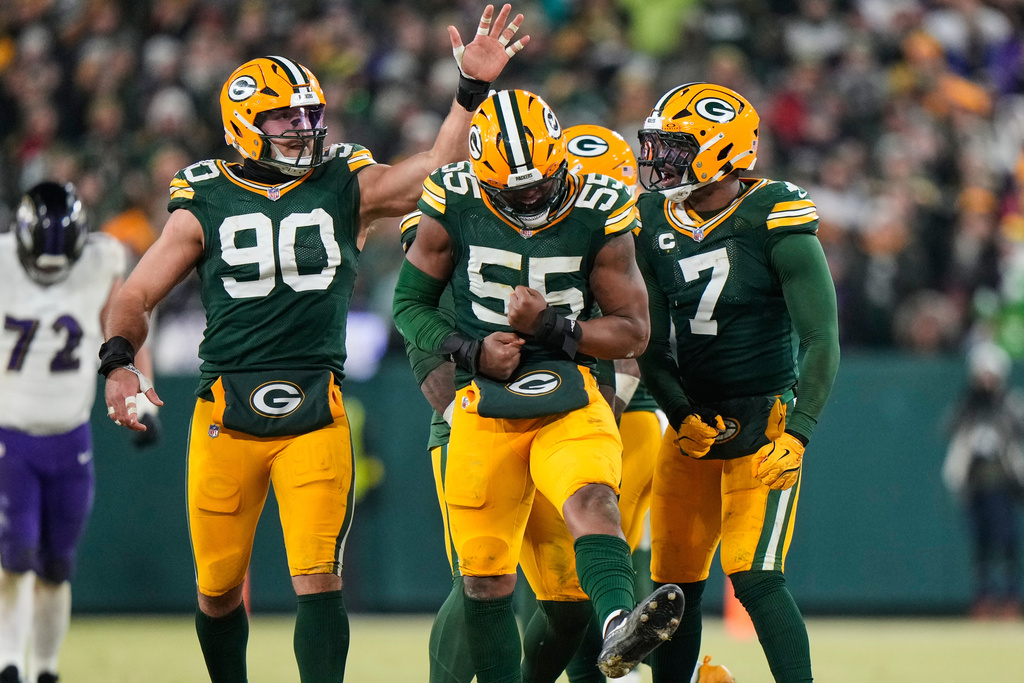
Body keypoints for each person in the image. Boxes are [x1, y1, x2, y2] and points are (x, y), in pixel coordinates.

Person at [99, 7, 529, 682]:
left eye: (308, 114)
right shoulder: (205, 195)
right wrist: (119, 360)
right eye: (283, 118)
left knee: (320, 578)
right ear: (244, 125)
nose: (302, 127)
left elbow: (433, 171)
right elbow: (135, 294)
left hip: (315, 407)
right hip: (225, 411)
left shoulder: (343, 180)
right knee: (217, 588)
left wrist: (468, 94)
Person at [393, 89, 683, 683]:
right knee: (481, 578)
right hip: (475, 402)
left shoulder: (600, 210)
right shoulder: (450, 201)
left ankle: (618, 625)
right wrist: (471, 353)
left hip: (569, 393)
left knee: (587, 522)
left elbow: (634, 333)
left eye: (542, 182)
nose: (530, 197)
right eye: (513, 188)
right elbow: (411, 308)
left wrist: (551, 326)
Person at [633, 83, 840, 683]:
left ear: (720, 151)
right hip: (692, 420)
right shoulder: (649, 219)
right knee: (671, 588)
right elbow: (646, 339)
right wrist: (677, 411)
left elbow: (821, 337)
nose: (659, 159)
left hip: (764, 418)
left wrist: (798, 432)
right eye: (657, 145)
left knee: (754, 575)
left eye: (675, 147)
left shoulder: (774, 214)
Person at [0, 181, 157, 683]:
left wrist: (140, 394)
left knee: (56, 566)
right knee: (14, 557)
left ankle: (45, 671)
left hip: (70, 439)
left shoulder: (102, 259)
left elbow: (126, 326)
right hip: (11, 438)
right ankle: (8, 664)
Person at [942, 341, 1024, 619]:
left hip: (1002, 485)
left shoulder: (1009, 404)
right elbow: (949, 428)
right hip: (975, 485)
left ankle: (1010, 597)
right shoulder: (969, 405)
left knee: (1006, 541)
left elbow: (1017, 430)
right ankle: (984, 597)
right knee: (981, 544)